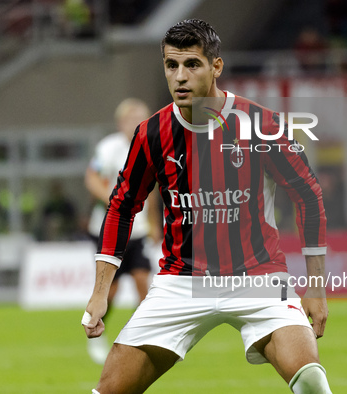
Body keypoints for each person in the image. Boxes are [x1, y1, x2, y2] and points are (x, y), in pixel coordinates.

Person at [83, 19, 331, 393]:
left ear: (216, 66)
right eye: (171, 65)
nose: (179, 76)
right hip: (181, 282)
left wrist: (316, 286)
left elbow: (309, 196)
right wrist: (100, 291)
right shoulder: (152, 133)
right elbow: (121, 206)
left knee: (311, 380)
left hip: (258, 278)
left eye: (192, 64)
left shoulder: (261, 125)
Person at [85, 98, 160, 364]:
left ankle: (138, 339)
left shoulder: (152, 147)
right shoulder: (109, 147)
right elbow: (91, 177)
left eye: (143, 118)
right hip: (109, 228)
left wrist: (154, 224)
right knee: (111, 291)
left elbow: (154, 191)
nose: (138, 123)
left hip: (138, 231)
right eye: (132, 118)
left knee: (144, 284)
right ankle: (95, 333)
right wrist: (114, 203)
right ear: (121, 122)